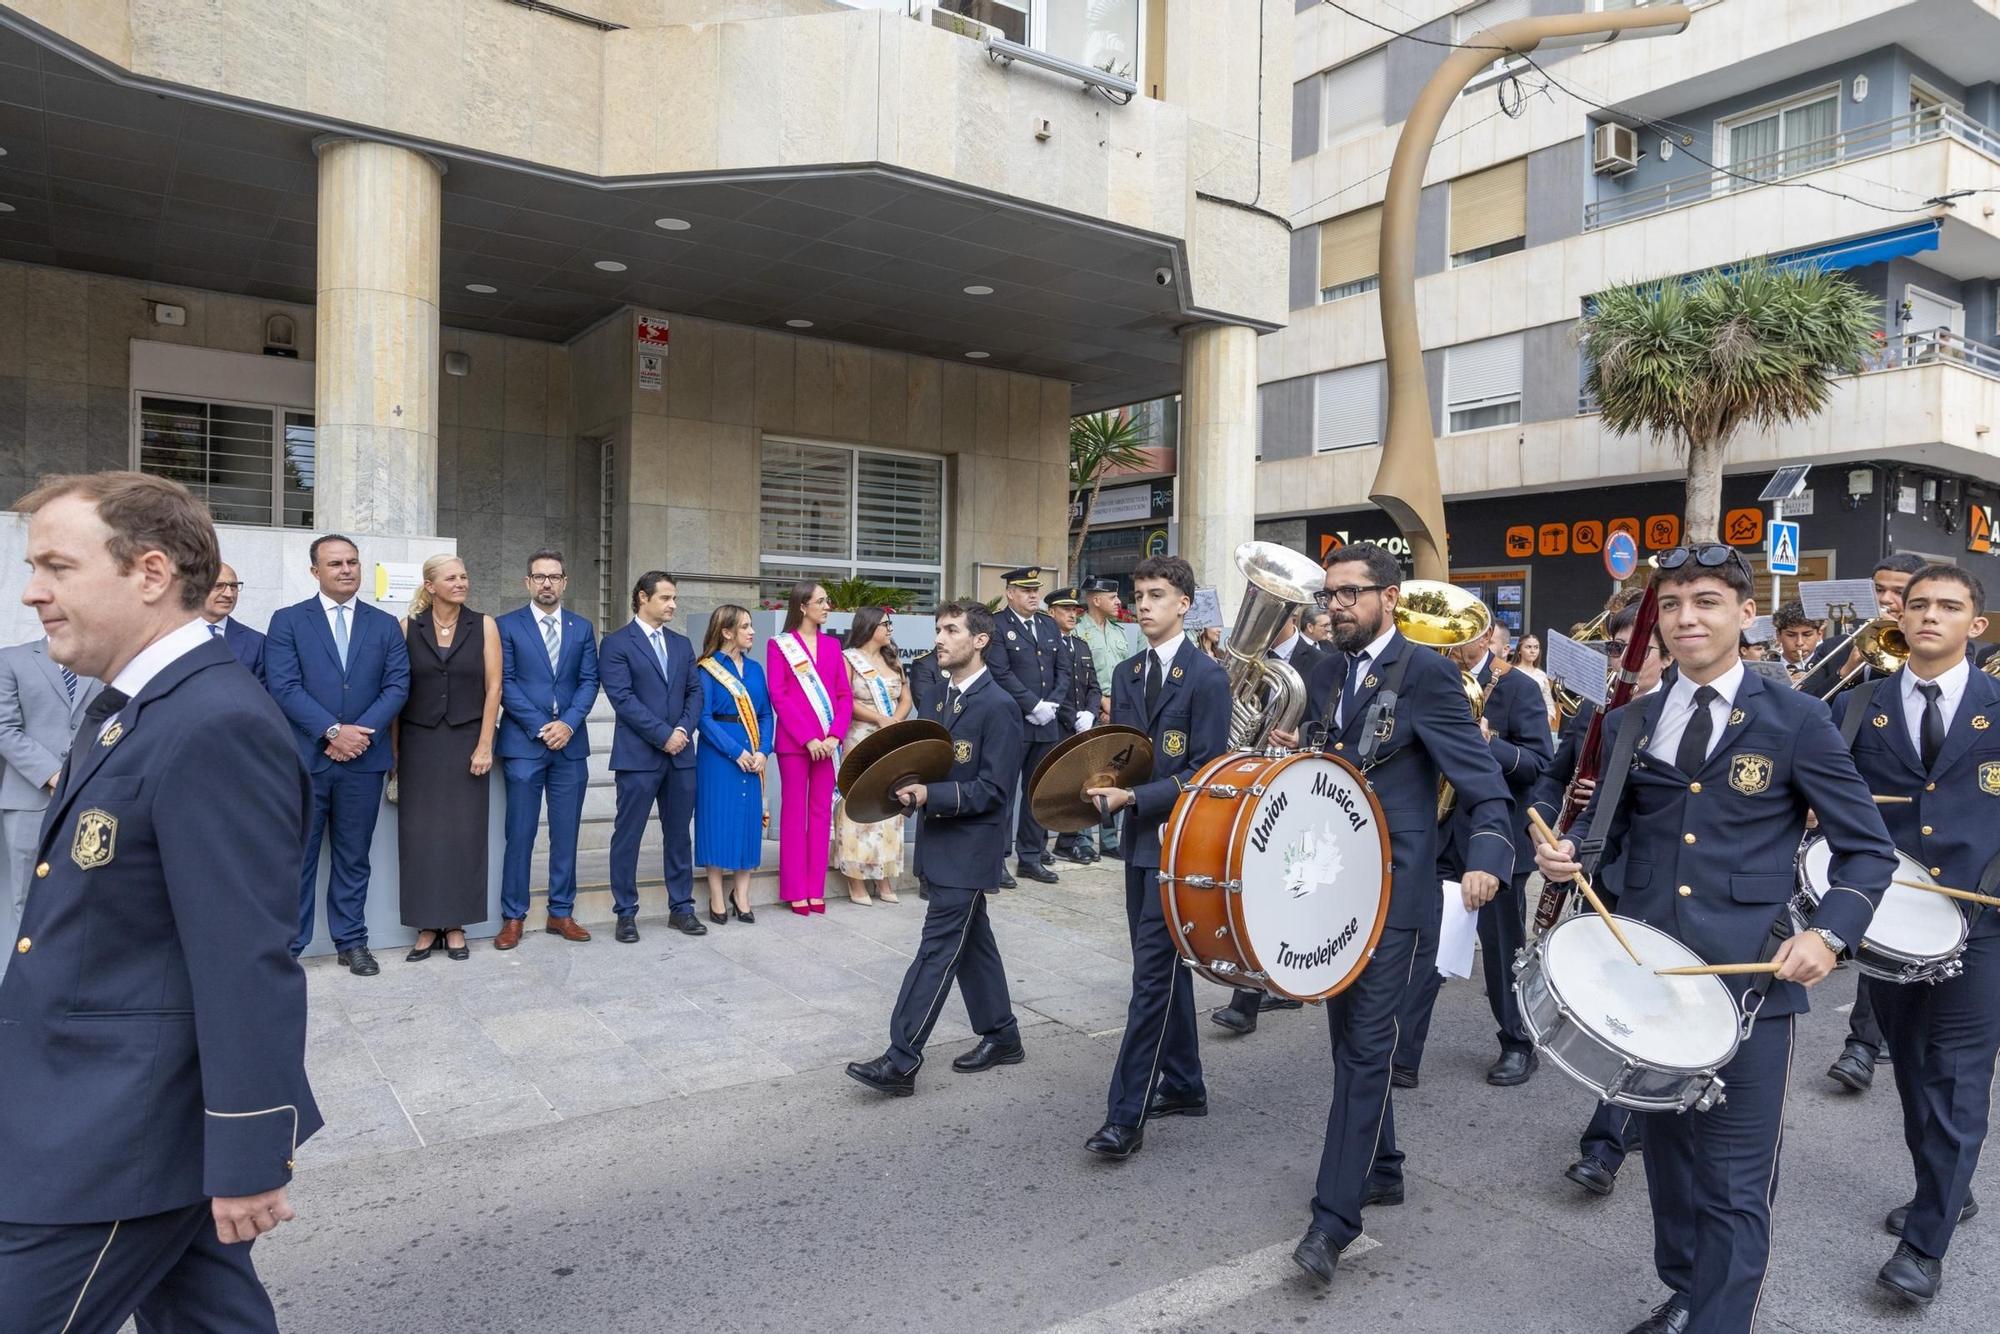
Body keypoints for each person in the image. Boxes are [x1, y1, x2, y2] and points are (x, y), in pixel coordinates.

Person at [1534, 543, 1895, 1334]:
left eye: (1704, 602)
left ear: (1743, 613)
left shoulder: (1796, 717)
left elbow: (1867, 848)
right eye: (1671, 605)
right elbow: (1607, 831)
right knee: (1669, 1165)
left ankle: (1719, 1319)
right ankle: (1686, 1291)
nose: (1685, 617)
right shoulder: (1629, 719)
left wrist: (1831, 936)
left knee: (1732, 1179)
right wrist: (1564, 859)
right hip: (1648, 980)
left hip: (1750, 984)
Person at [0, 471, 319, 1331]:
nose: (33, 591)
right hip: (106, 1104)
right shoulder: (131, 705)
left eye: (57, 567)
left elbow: (245, 955)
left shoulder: (213, 720)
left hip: (117, 1134)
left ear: (148, 573)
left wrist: (252, 1149)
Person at [1272, 543, 1516, 1287]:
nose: (1337, 606)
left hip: (1395, 890)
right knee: (1351, 1038)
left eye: (1351, 593)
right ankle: (1385, 1166)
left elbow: (1481, 782)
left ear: (1390, 596)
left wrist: (1488, 857)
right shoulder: (1328, 668)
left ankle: (1332, 1221)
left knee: (1364, 1050)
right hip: (1339, 884)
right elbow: (1345, 757)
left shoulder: (1429, 671)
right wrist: (1303, 749)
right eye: (1330, 596)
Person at [1840, 563, 2000, 1305]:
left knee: (1957, 1075)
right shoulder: (1859, 705)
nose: (1930, 615)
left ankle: (1923, 1246)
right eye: (1918, 605)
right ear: (1900, 619)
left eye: (1949, 606)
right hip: (1890, 925)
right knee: (1909, 1065)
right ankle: (1948, 1185)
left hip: (1984, 924)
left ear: (1978, 624)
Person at [1081, 554, 1231, 1161]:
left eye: (1156, 595)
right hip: (1139, 844)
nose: (1142, 604)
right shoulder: (1127, 670)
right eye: (1138, 595)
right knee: (1161, 970)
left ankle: (1126, 1115)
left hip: (1180, 843)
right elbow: (1126, 753)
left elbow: (1203, 770)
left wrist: (1133, 797)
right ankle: (1187, 1084)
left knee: (1149, 979)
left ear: (1184, 605)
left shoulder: (1208, 676)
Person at [846, 601, 1027, 1096]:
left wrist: (934, 795)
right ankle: (1003, 1036)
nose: (941, 639)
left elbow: (995, 791)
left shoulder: (999, 706)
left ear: (980, 640)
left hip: (969, 852)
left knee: (936, 952)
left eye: (951, 630)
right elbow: (933, 768)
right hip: (942, 844)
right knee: (973, 948)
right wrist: (905, 790)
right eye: (939, 630)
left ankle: (900, 1059)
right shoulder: (944, 699)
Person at [1526, 598, 1670, 1199]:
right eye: (1614, 648)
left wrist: (1617, 784)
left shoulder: (1680, 715)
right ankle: (1631, 1117)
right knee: (1622, 1005)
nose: (1623, 659)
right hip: (1603, 876)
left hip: (1660, 879)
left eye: (1638, 650)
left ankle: (1604, 1143)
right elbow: (1552, 774)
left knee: (1650, 1010)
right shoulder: (1598, 711)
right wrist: (1555, 818)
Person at [1395, 619, 1552, 1088]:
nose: (1450, 645)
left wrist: (1491, 745)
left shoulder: (1517, 687)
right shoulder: (1424, 678)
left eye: (1460, 636)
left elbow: (1539, 763)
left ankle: (1518, 1042)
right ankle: (1403, 1054)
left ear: (1485, 639)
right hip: (1441, 833)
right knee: (1427, 945)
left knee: (1502, 948)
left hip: (1495, 837)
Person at [265, 533, 411, 974]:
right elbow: (284, 686)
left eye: (352, 562)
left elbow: (397, 685)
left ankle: (352, 941)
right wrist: (331, 731)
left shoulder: (384, 624)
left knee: (353, 856)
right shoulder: (288, 621)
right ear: (316, 572)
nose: (346, 569)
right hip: (307, 762)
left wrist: (358, 735)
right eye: (335, 564)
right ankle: (289, 947)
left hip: (364, 761)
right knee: (300, 857)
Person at [1807, 550, 1925, 1092]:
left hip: (1922, 814)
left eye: (1899, 591)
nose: (1887, 600)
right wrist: (1848, 663)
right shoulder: (1845, 647)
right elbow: (1806, 709)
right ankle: (1861, 1046)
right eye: (1880, 588)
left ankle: (1878, 1042)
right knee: (1873, 925)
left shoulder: (1937, 649)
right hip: (1859, 806)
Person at [1210, 605, 1328, 1035]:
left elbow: (1332, 723)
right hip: (1252, 780)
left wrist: (1304, 734)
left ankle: (1256, 995)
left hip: (1297, 789)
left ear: (1289, 618)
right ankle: (1252, 993)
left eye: (1269, 614)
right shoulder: (1247, 664)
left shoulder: (1322, 661)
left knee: (1288, 887)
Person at [392, 554, 499, 963]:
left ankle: (456, 925)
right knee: (419, 836)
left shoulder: (483, 624)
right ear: (430, 585)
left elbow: (494, 688)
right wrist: (396, 753)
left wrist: (485, 742)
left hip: (467, 741)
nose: (461, 582)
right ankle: (424, 925)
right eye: (452, 577)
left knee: (464, 834)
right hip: (420, 742)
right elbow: (398, 691)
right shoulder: (407, 628)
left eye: (464, 575)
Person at [493, 549, 599, 948]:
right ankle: (513, 916)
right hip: (524, 745)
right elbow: (505, 682)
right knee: (519, 833)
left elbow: (589, 681)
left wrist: (568, 724)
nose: (547, 583)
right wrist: (541, 727)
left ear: (565, 581)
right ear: (527, 582)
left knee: (565, 833)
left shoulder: (582, 627)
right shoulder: (506, 626)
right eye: (539, 577)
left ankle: (561, 912)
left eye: (554, 576)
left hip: (570, 747)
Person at [600, 571, 705, 943]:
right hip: (638, 756)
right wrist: (663, 735)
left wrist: (682, 731)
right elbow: (622, 698)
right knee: (627, 836)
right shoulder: (616, 644)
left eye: (674, 597)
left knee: (678, 835)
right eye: (666, 598)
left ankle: (682, 908)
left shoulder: (681, 644)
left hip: (681, 756)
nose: (673, 604)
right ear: (642, 598)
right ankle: (625, 913)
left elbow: (695, 692)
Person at [0, 633, 99, 984]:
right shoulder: (12, 659)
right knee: (22, 895)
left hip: (90, 797)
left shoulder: (100, 659)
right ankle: (19, 982)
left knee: (80, 890)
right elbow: (4, 729)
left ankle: (66, 978)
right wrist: (55, 775)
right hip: (28, 798)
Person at [769, 580, 852, 915]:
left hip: (827, 745)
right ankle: (794, 889)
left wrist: (833, 736)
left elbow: (844, 696)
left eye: (827, 601)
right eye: (821, 601)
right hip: (795, 743)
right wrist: (809, 738)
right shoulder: (781, 646)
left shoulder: (833, 647)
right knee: (794, 813)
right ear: (802, 606)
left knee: (820, 815)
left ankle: (814, 887)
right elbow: (780, 694)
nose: (827, 606)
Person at [985, 566, 1069, 885]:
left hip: (1046, 722)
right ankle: (998, 859)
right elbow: (1000, 672)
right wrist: (1032, 704)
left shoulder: (1048, 626)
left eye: (1036, 590)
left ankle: (1031, 857)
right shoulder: (997, 625)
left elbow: (1063, 670)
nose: (1033, 595)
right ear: (1010, 593)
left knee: (1038, 793)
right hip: (1013, 722)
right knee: (1004, 793)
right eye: (1026, 590)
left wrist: (1051, 706)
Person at [695, 605, 773, 925]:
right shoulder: (707, 669)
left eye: (751, 626)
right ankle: (716, 893)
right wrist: (735, 752)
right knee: (717, 820)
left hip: (754, 754)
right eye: (745, 627)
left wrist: (764, 751)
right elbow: (703, 718)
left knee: (748, 822)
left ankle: (741, 894)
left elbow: (766, 714)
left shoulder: (755, 669)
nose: (752, 632)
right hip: (718, 755)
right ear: (727, 632)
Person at [835, 606, 912, 905]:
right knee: (859, 803)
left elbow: (906, 697)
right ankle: (856, 880)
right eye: (885, 623)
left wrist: (895, 719)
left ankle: (884, 877)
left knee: (889, 803)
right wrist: (878, 719)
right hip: (860, 738)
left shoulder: (893, 657)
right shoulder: (849, 659)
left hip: (889, 738)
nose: (890, 628)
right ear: (869, 626)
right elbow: (845, 700)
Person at [1045, 585, 1101, 865]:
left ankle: (1069, 842)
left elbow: (1093, 686)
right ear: (1051, 612)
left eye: (1075, 609)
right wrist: (1072, 717)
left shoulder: (1081, 645)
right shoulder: (1046, 646)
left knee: (1081, 786)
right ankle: (1039, 844)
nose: (1072, 614)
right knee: (1052, 786)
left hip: (1083, 727)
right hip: (1058, 725)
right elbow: (1051, 690)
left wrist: (1090, 713)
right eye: (1066, 609)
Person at [1075, 576, 1134, 724]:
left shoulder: (1118, 631)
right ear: (1096, 601)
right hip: (1088, 710)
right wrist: (1101, 703)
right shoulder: (1077, 631)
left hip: (1120, 707)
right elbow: (1074, 675)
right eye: (1113, 597)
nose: (1119, 601)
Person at [200, 562, 265, 683]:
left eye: (233, 586)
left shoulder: (256, 643)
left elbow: (262, 696)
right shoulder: (171, 635)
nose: (229, 594)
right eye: (219, 586)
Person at [1513, 632, 1556, 733]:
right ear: (1519, 650)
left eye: (1536, 647)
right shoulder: (1511, 671)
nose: (1533, 651)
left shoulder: (1542, 675)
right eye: (1528, 647)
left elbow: (1549, 703)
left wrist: (1547, 721)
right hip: (1517, 724)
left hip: (1539, 724)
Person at [1772, 600, 1822, 683]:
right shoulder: (1765, 669)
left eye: (1807, 635)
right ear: (1778, 635)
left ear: (1819, 634)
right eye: (1791, 635)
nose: (1799, 643)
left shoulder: (1828, 668)